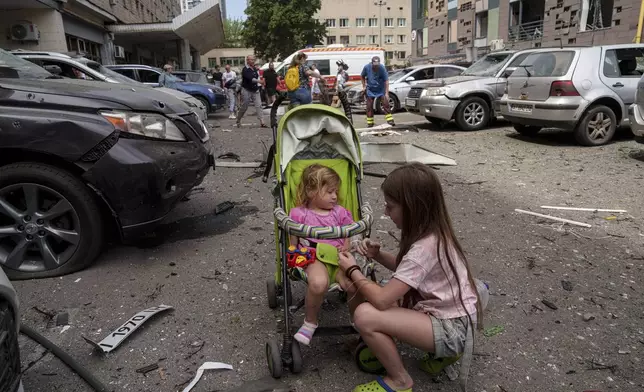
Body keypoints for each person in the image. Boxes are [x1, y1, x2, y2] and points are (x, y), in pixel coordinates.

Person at [337, 163, 482, 392]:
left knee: (365, 314)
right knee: (382, 293)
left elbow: (383, 300)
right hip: (459, 316)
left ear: (413, 208)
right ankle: (437, 353)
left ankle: (400, 381)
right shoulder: (434, 231)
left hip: (451, 329)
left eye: (390, 206)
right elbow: (411, 272)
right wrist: (378, 255)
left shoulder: (424, 248)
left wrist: (351, 270)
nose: (385, 212)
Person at [289, 164, 356, 346]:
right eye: (329, 192)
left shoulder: (340, 213)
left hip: (339, 256)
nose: (335, 196)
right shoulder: (299, 214)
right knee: (319, 284)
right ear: (311, 191)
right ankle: (310, 321)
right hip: (314, 257)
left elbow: (347, 232)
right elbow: (293, 240)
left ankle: (358, 320)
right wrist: (293, 254)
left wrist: (346, 245)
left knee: (355, 284)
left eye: (336, 191)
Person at [361, 56, 395, 127]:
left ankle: (390, 121)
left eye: (377, 65)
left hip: (380, 89)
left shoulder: (382, 68)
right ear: (372, 63)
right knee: (369, 106)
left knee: (385, 104)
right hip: (370, 90)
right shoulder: (367, 67)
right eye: (375, 66)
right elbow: (362, 76)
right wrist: (364, 86)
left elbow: (386, 81)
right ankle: (370, 123)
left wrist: (386, 93)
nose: (376, 67)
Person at [236, 55, 267, 128]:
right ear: (247, 60)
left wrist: (261, 83)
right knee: (244, 106)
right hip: (246, 89)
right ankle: (238, 119)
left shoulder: (254, 69)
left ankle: (262, 121)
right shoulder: (245, 69)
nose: (253, 61)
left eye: (254, 60)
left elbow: (257, 77)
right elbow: (251, 79)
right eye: (251, 60)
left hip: (255, 90)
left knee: (259, 105)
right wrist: (260, 81)